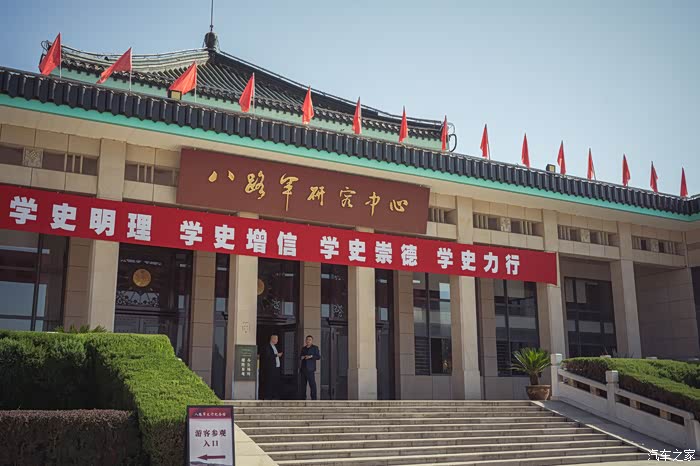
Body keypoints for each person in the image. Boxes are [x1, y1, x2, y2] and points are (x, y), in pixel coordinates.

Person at [262, 334, 283, 400]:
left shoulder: (275, 346)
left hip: (276, 367)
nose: (277, 340)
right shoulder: (267, 346)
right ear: (272, 339)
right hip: (270, 368)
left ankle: (275, 396)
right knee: (269, 382)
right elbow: (267, 356)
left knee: (276, 382)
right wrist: (277, 355)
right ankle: (268, 396)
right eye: (276, 339)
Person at [299, 335, 321, 400]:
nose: (308, 341)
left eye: (309, 340)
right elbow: (300, 357)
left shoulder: (315, 348)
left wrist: (311, 356)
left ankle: (314, 399)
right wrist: (302, 357)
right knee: (303, 385)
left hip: (310, 369)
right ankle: (302, 398)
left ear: (312, 341)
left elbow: (318, 357)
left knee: (312, 385)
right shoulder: (303, 348)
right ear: (305, 341)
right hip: (303, 369)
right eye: (307, 339)